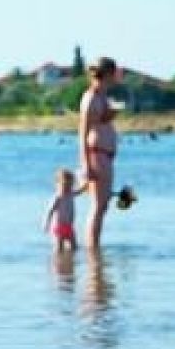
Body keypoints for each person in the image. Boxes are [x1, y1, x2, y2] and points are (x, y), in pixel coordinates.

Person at [77, 56, 120, 252]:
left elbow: (100, 121)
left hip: (105, 155)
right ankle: (93, 249)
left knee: (103, 205)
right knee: (98, 206)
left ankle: (95, 246)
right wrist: (86, 165)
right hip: (96, 154)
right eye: (114, 74)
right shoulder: (91, 97)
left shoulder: (103, 97)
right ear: (108, 74)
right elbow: (83, 132)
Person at [43, 168, 84, 253]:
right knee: (58, 247)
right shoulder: (57, 197)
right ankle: (57, 262)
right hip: (58, 226)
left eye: (70, 185)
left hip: (69, 226)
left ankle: (70, 260)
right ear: (57, 184)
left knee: (74, 246)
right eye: (64, 185)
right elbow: (50, 211)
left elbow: (80, 191)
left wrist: (84, 182)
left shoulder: (70, 194)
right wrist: (46, 223)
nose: (67, 188)